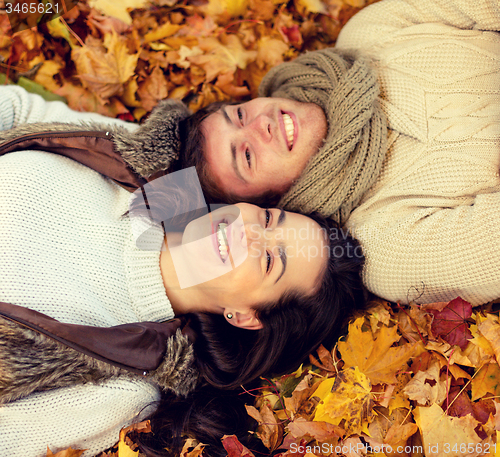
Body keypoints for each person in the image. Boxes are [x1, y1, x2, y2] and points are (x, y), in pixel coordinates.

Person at [0, 85, 365, 457]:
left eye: (269, 259)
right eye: (269, 219)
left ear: (244, 315)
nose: (248, 231)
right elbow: (20, 111)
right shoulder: (150, 174)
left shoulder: (129, 375)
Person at [192, 0, 500, 307]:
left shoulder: (366, 34)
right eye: (247, 156)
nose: (262, 124)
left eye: (241, 116)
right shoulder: (386, 248)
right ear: (269, 201)